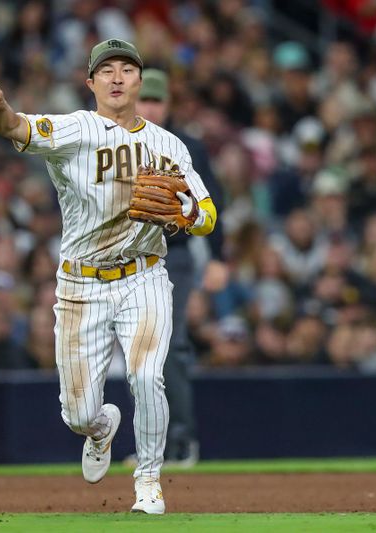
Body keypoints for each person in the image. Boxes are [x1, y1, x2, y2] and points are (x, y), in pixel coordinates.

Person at [0, 39, 217, 514]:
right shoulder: (75, 129)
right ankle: (100, 427)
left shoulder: (168, 144)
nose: (117, 78)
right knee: (78, 413)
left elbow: (208, 214)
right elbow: (14, 127)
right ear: (90, 83)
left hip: (144, 275)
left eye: (127, 69)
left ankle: (149, 481)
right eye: (106, 70)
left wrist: (187, 209)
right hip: (81, 283)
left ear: (139, 81)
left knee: (149, 376)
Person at [134, 68, 225, 466]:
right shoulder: (116, 143)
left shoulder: (186, 146)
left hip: (176, 255)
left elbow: (214, 200)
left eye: (156, 100)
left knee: (169, 345)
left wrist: (219, 257)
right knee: (139, 352)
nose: (150, 107)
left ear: (168, 104)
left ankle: (182, 441)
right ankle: (152, 446)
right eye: (144, 99)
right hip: (130, 256)